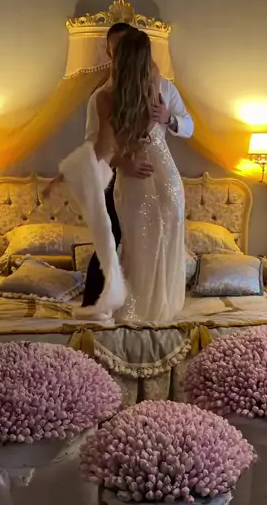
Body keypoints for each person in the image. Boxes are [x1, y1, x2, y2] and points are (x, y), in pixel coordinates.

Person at [82, 22, 193, 307]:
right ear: (110, 54)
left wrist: (169, 118)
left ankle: (161, 303)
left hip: (163, 174)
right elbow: (94, 147)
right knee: (117, 240)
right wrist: (122, 163)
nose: (123, 54)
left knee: (166, 238)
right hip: (120, 176)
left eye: (127, 48)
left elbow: (189, 126)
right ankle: (97, 302)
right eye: (118, 49)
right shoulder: (102, 97)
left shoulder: (163, 87)